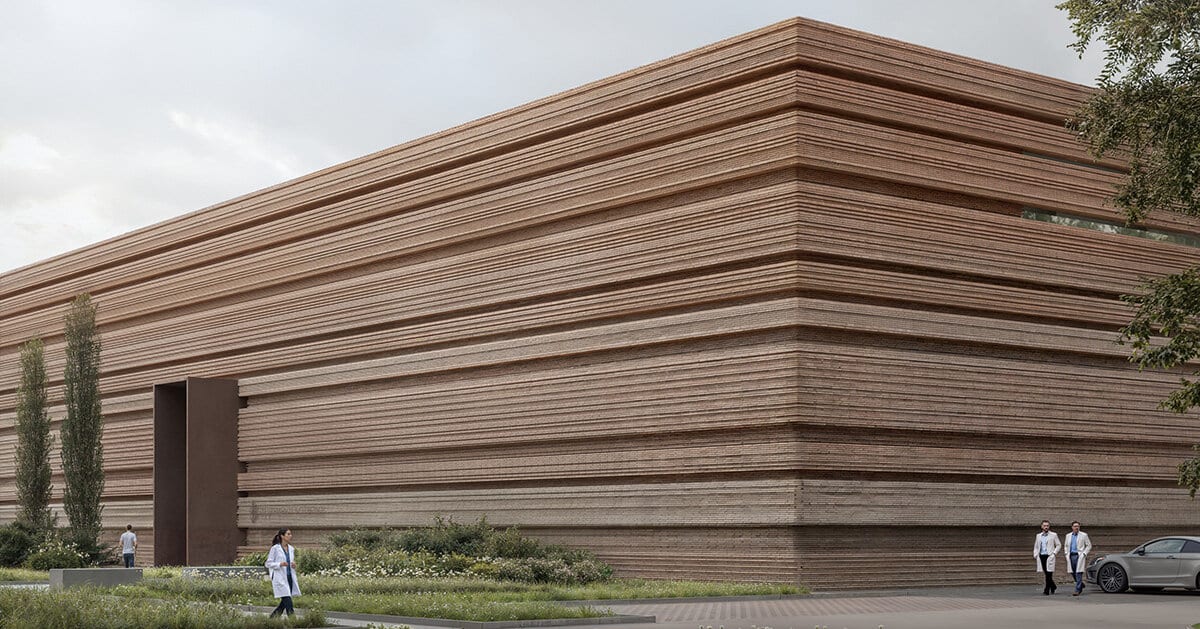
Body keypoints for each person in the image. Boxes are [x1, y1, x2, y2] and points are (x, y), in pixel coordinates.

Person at [266, 528, 301, 618]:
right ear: (282, 536)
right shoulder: (275, 548)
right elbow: (268, 563)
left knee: (284, 602)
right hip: (279, 578)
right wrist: (279, 564)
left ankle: (272, 618)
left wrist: (293, 565)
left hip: (289, 577)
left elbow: (290, 561)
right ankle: (293, 620)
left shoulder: (291, 549)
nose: (290, 536)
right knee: (288, 600)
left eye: (290, 534)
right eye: (288, 534)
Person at [1064, 520, 1092, 596]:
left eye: (1078, 526)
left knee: (1078, 572)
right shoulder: (1068, 536)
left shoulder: (1084, 535)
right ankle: (1081, 584)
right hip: (1071, 556)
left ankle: (1077, 589)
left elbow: (1089, 545)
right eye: (1075, 526)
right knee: (1072, 572)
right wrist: (1066, 553)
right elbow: (1066, 546)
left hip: (1079, 555)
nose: (1077, 528)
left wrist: (1084, 553)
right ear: (1072, 527)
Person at [1033, 519, 1061, 595]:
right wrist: (1035, 554)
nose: (1046, 527)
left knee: (1049, 573)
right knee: (1046, 573)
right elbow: (1036, 546)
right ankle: (1053, 586)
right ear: (1041, 526)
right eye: (1044, 526)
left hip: (1050, 556)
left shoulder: (1053, 535)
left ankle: (1046, 590)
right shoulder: (1038, 536)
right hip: (1042, 556)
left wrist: (1054, 553)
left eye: (1047, 526)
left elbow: (1058, 545)